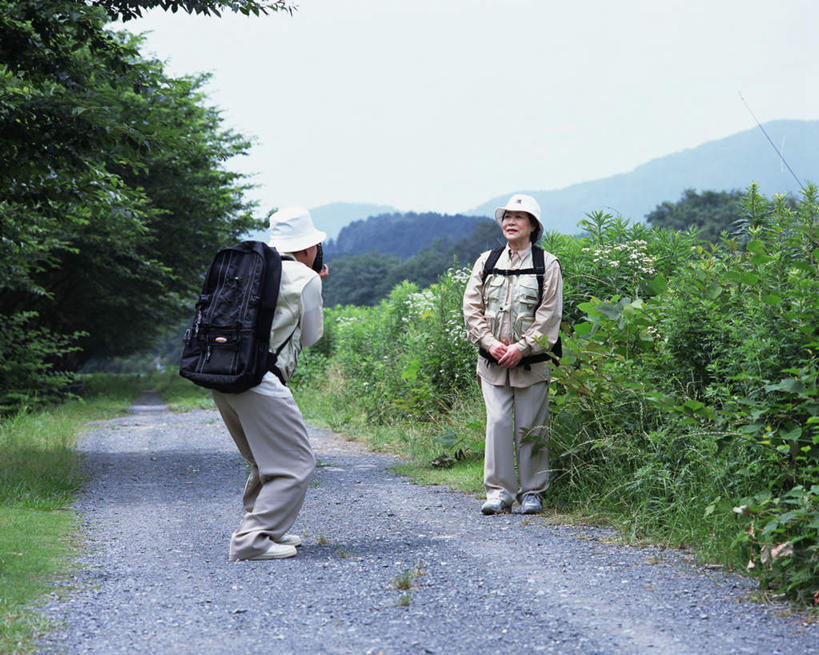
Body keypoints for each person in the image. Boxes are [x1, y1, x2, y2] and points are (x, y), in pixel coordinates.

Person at [212, 206, 328, 560]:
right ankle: (252, 539)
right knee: (296, 463)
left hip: (222, 373)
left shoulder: (248, 267)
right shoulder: (305, 278)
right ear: (308, 248)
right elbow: (311, 337)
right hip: (261, 379)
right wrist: (315, 285)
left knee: (264, 459)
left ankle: (267, 527)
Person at [462, 193, 563, 515]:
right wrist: (490, 343)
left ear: (533, 226)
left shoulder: (547, 264)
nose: (510, 222)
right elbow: (471, 308)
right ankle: (498, 492)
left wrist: (522, 348)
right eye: (506, 217)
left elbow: (550, 315)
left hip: (531, 364)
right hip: (492, 363)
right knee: (499, 422)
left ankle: (532, 492)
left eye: (518, 217)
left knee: (530, 426)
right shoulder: (487, 261)